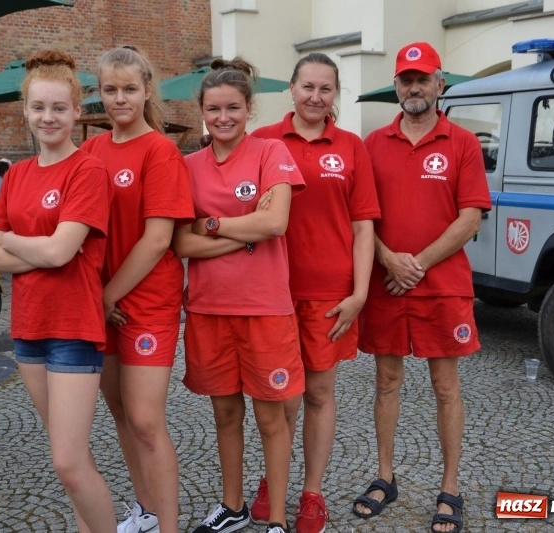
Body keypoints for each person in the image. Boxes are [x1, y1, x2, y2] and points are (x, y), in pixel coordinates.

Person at [353, 42, 491, 533]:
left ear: (439, 84)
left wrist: (417, 264)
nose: (414, 88)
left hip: (442, 286)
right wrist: (389, 259)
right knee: (386, 382)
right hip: (386, 283)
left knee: (446, 388)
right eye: (406, 80)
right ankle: (385, 477)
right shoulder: (373, 143)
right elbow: (361, 216)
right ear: (396, 86)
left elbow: (470, 218)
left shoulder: (463, 142)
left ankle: (450, 488)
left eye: (422, 79)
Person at [0, 48, 116, 533]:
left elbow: (60, 252)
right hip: (29, 326)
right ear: (25, 110)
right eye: (38, 107)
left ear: (77, 110)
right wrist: (42, 247)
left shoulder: (87, 170)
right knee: (72, 457)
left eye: (59, 107)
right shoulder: (16, 174)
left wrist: (15, 240)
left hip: (73, 328)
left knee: (67, 462)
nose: (48, 117)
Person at [172, 58, 306, 533]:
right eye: (214, 109)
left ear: (249, 108)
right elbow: (181, 243)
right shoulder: (187, 166)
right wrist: (244, 231)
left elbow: (275, 222)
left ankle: (276, 518)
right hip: (208, 308)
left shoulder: (271, 151)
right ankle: (233, 507)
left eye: (233, 107)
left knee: (271, 418)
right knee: (226, 414)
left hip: (264, 307)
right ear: (202, 112)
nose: (223, 117)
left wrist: (211, 224)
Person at [250, 52, 380, 533]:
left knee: (320, 394)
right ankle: (274, 480)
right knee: (281, 397)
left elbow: (363, 227)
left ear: (335, 94)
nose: (315, 96)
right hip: (272, 291)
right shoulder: (263, 141)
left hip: (330, 294)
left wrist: (360, 293)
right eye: (308, 86)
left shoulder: (350, 147)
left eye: (326, 88)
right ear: (291, 88)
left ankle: (312, 492)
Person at [80, 45, 194, 533]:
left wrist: (108, 295)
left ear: (147, 90)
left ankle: (168, 525)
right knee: (121, 412)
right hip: (99, 302)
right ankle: (144, 511)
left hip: (144, 303)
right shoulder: (91, 151)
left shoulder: (160, 151)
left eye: (129, 88)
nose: (120, 98)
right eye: (110, 89)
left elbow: (157, 240)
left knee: (146, 420)